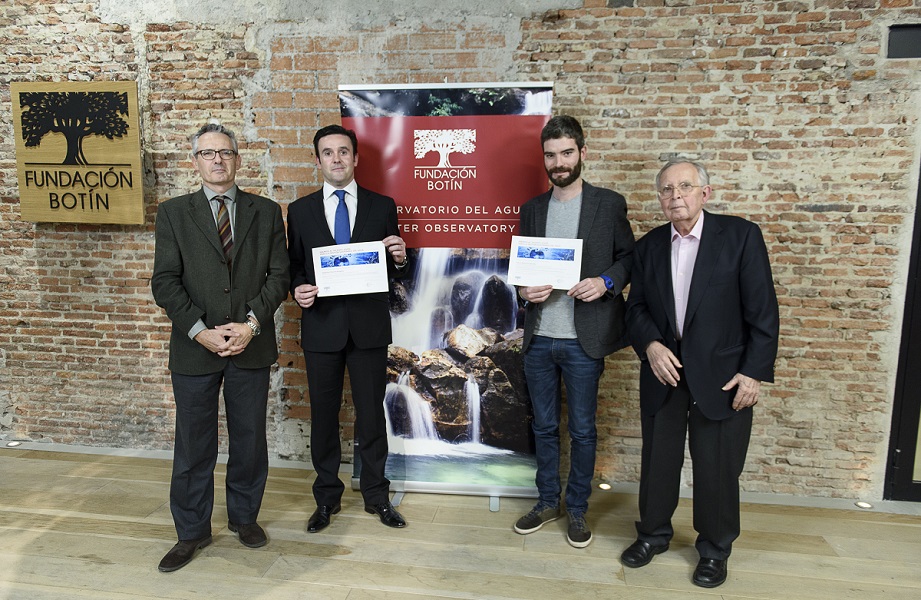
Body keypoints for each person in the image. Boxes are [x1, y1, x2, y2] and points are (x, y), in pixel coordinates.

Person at [622, 159, 779, 588]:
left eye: (685, 187)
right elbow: (635, 310)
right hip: (664, 373)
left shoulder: (741, 237)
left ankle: (714, 549)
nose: (676, 196)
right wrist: (651, 346)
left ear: (704, 193)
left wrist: (753, 373)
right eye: (667, 190)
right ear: (660, 198)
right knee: (658, 463)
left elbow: (763, 312)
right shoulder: (649, 245)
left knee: (717, 467)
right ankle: (653, 535)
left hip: (724, 376)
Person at [151, 123, 290, 572]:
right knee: (194, 445)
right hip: (195, 349)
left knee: (249, 439)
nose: (216, 160)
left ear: (237, 159)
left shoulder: (266, 212)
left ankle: (245, 518)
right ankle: (191, 531)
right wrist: (199, 330)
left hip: (250, 344)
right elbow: (165, 281)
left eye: (225, 152)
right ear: (195, 162)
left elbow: (278, 277)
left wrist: (250, 324)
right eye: (207, 153)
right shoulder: (174, 213)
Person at [514, 115, 635, 548]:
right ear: (543, 159)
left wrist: (605, 282)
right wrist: (523, 290)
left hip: (584, 339)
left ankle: (578, 509)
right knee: (544, 428)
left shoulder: (609, 203)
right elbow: (520, 273)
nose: (559, 162)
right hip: (540, 337)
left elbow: (629, 258)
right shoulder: (532, 209)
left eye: (567, 153)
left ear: (583, 153)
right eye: (551, 155)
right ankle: (548, 502)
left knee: (583, 430)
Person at [287, 124, 410, 533]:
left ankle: (377, 495)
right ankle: (326, 499)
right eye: (327, 152)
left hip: (368, 328)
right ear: (317, 160)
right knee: (323, 417)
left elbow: (393, 274)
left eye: (343, 151)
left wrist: (399, 259)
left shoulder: (382, 205)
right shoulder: (300, 211)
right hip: (322, 326)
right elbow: (295, 268)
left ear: (355, 158)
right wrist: (297, 289)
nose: (336, 159)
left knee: (371, 416)